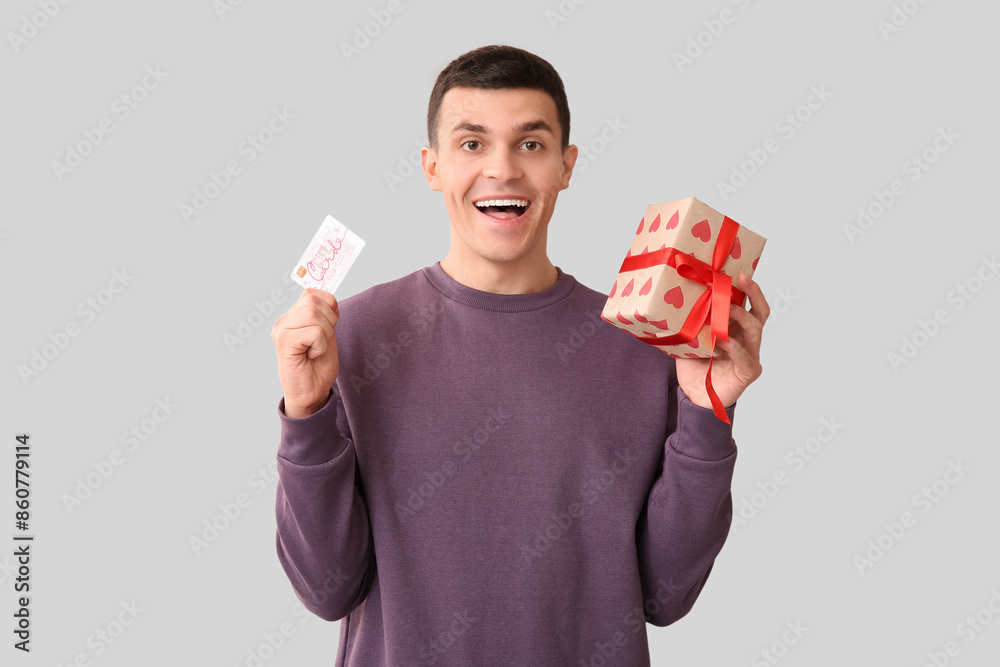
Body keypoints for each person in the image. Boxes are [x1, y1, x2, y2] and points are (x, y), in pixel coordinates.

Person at [271, 44, 769, 667]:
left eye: (530, 144)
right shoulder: (355, 334)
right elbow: (326, 588)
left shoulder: (645, 344)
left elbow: (666, 596)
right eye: (472, 144)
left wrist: (706, 413)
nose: (502, 170)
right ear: (431, 166)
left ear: (566, 165)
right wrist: (306, 410)